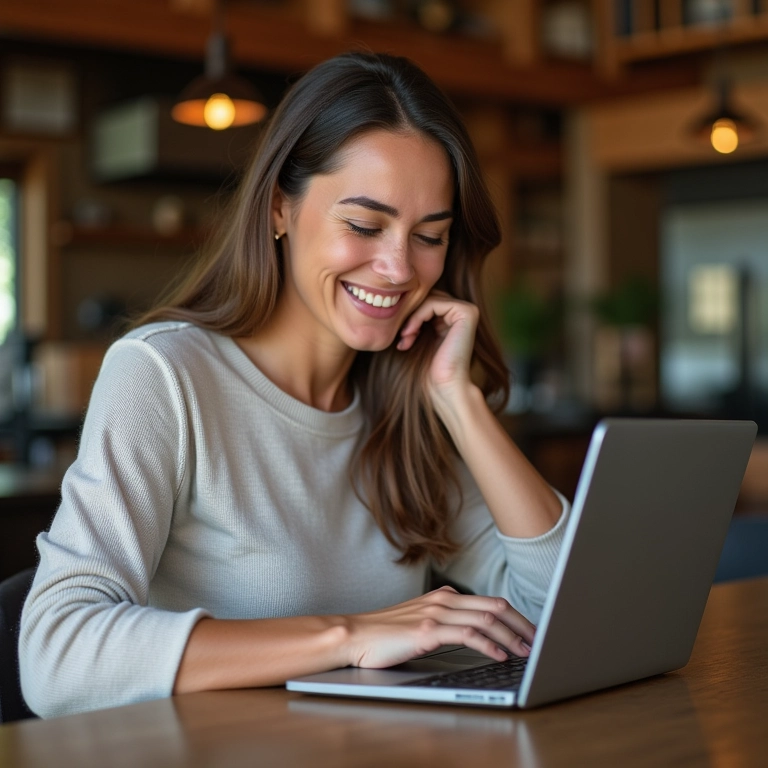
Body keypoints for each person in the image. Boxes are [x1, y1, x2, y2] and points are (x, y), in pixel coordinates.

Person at [20, 52, 569, 718]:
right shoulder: (166, 374)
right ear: (280, 207)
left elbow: (564, 608)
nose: (399, 268)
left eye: (429, 236)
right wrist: (350, 632)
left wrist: (461, 403)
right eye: (364, 225)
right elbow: (56, 657)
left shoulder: (397, 402)